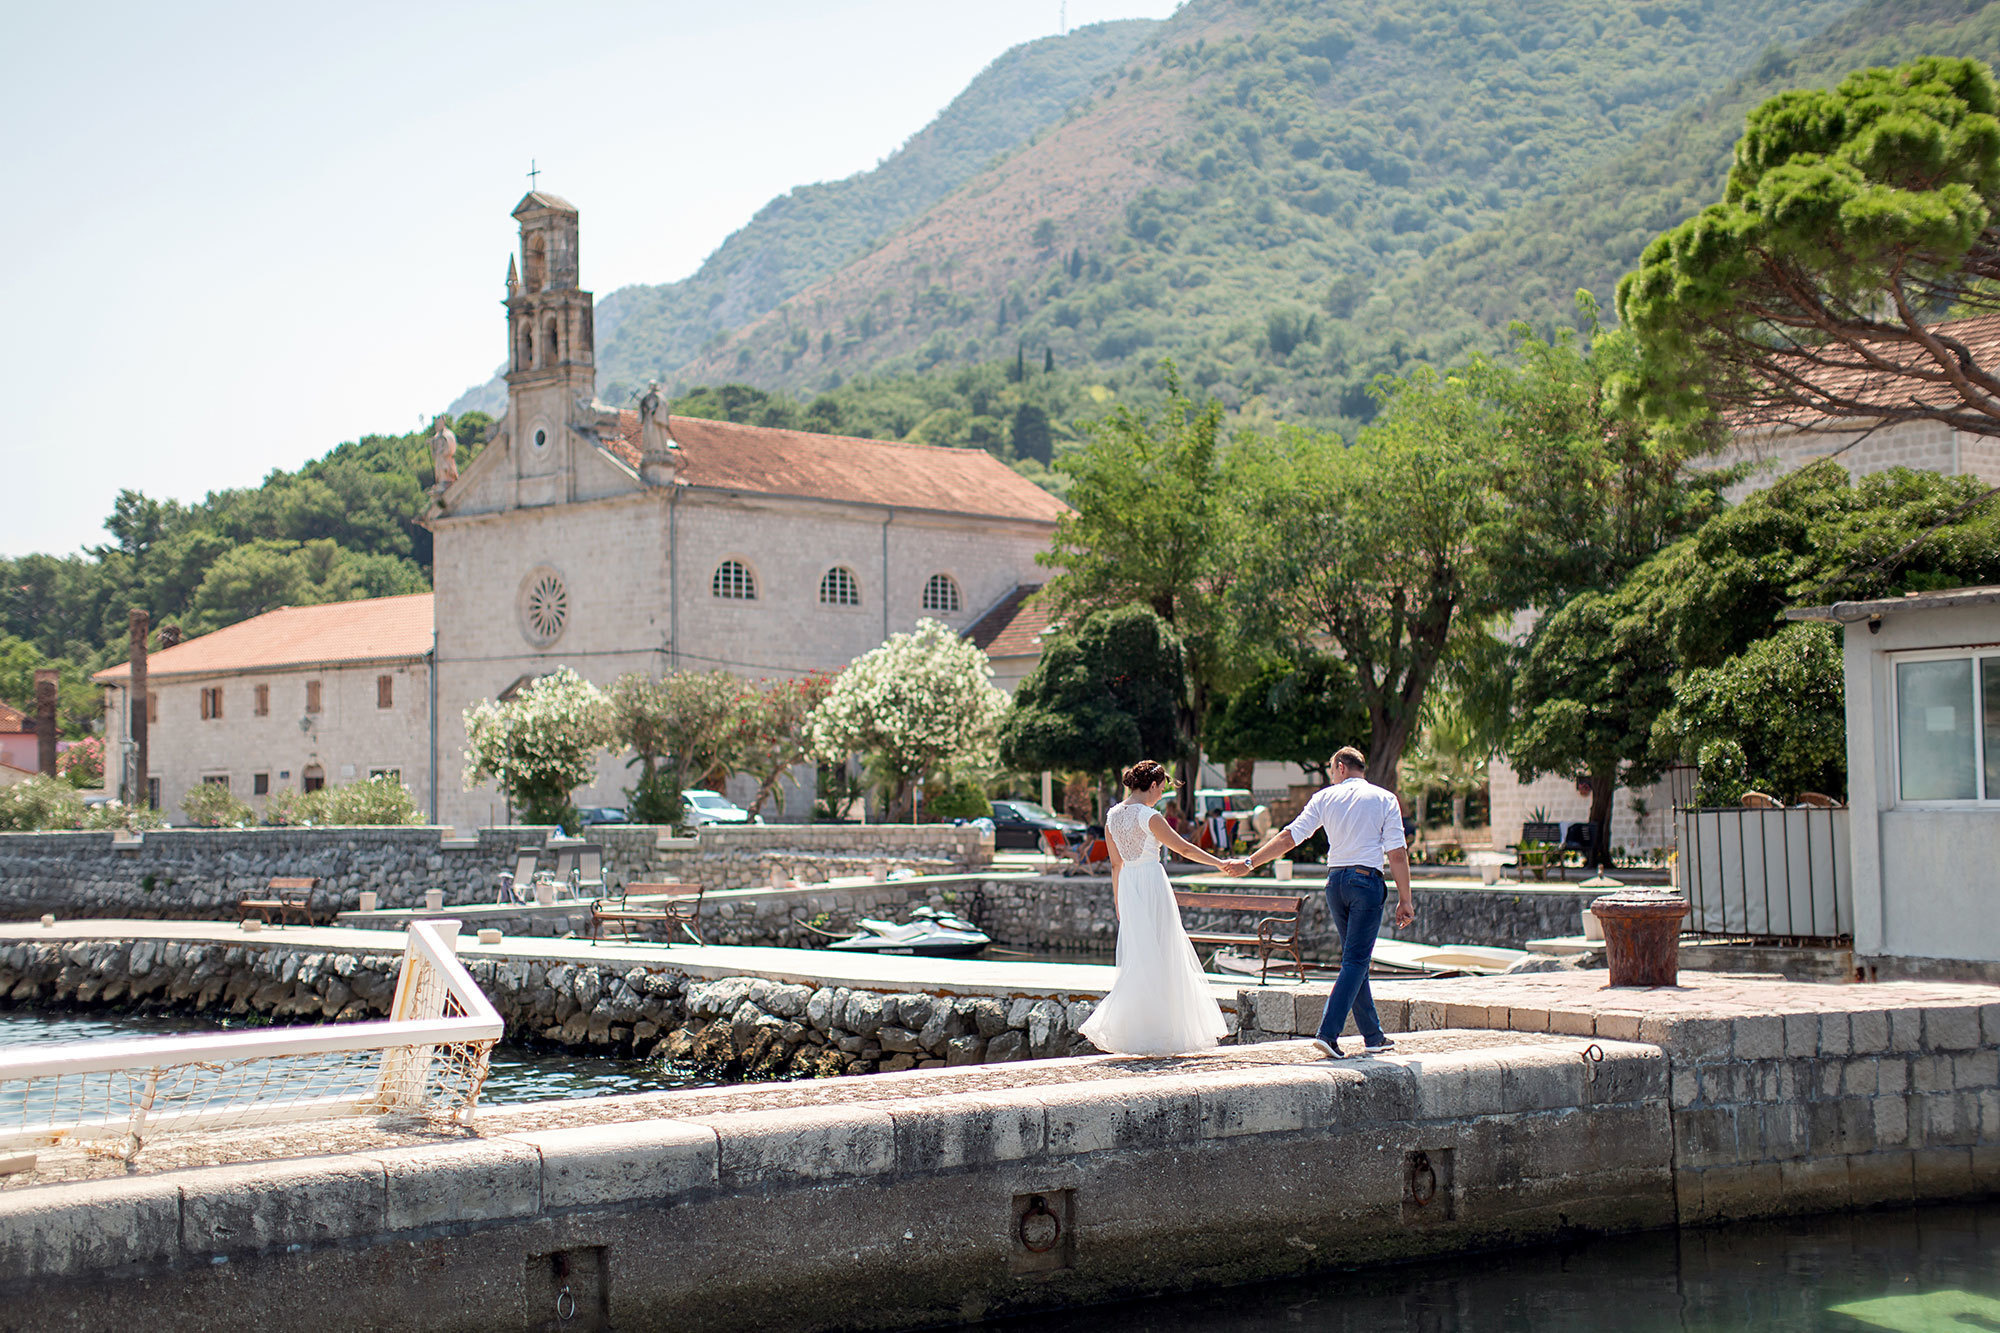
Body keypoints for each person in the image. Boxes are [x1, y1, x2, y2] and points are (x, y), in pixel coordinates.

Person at [1226, 746, 1414, 1059]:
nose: (1331, 774)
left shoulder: (1324, 798)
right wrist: (1405, 899)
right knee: (1356, 961)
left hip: (1335, 883)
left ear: (1340, 767)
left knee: (1356, 961)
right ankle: (1328, 1033)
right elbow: (1397, 852)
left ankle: (1373, 1036)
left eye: (1330, 769)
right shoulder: (1384, 798)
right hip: (1366, 881)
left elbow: (1289, 837)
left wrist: (1250, 862)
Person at [1078, 759, 1232, 1057]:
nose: (1162, 793)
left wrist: (1118, 899)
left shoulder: (1112, 816)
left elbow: (1115, 864)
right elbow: (1184, 849)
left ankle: (1143, 1031)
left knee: (1140, 957)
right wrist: (1220, 863)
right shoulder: (1150, 816)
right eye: (1162, 788)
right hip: (1150, 882)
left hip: (1128, 886)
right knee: (1164, 952)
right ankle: (1164, 1032)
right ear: (1151, 786)